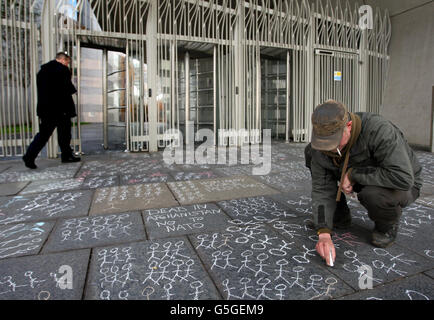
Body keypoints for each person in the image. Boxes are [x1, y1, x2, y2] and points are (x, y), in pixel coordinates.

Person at [304, 100, 422, 266]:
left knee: (373, 195)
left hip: (400, 183)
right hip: (363, 177)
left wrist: (353, 174)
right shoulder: (320, 148)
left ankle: (386, 226)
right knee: (312, 153)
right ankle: (339, 216)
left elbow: (402, 176)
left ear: (349, 126)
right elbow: (321, 188)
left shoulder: (379, 131)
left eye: (334, 141)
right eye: (324, 142)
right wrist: (323, 232)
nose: (329, 148)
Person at [23, 52, 80, 169]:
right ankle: (66, 156)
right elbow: (68, 89)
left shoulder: (42, 72)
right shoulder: (62, 70)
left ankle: (29, 156)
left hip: (46, 109)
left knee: (43, 135)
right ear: (63, 60)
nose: (67, 64)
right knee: (64, 134)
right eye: (68, 62)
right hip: (61, 109)